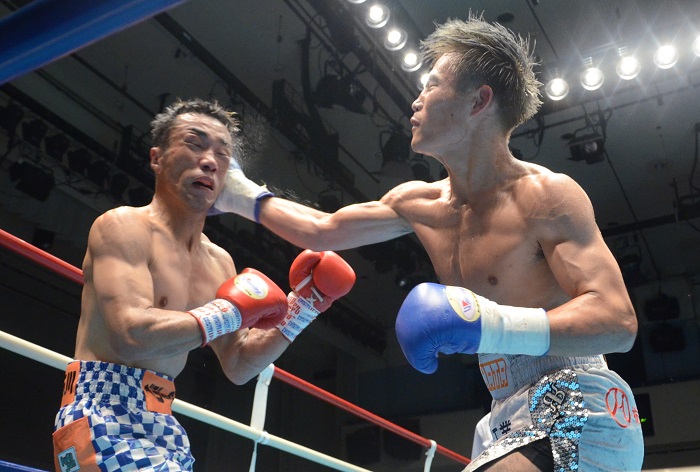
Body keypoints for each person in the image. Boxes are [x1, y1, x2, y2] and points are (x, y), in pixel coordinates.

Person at [210, 14, 644, 472]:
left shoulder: (546, 196)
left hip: (577, 400)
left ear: (479, 101)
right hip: (504, 414)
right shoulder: (419, 204)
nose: (415, 101)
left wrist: (491, 324)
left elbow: (617, 321)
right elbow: (323, 229)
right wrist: (239, 194)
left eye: (431, 85)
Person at [52, 98, 356, 472]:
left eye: (223, 154)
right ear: (157, 158)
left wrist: (303, 307)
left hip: (163, 417)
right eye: (194, 144)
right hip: (100, 409)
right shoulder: (122, 226)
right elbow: (129, 334)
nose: (210, 161)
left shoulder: (219, 262)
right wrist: (230, 312)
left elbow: (239, 364)